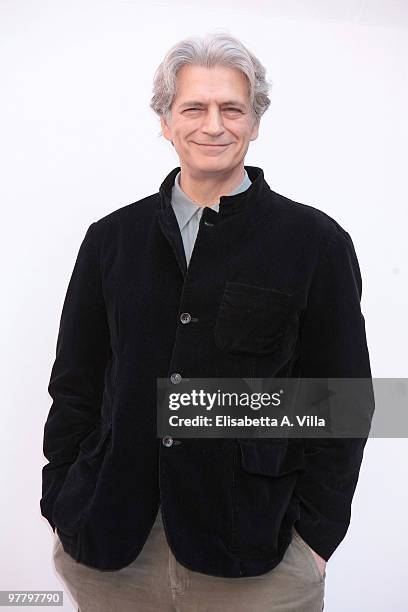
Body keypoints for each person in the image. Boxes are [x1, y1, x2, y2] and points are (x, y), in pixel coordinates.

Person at [41, 31, 372, 611]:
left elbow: (343, 401)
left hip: (256, 556)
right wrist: (62, 501)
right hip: (113, 550)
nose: (212, 125)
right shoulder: (110, 240)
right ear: (165, 121)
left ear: (256, 121)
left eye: (232, 109)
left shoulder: (314, 243)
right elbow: (76, 384)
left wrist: (313, 540)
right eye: (193, 107)